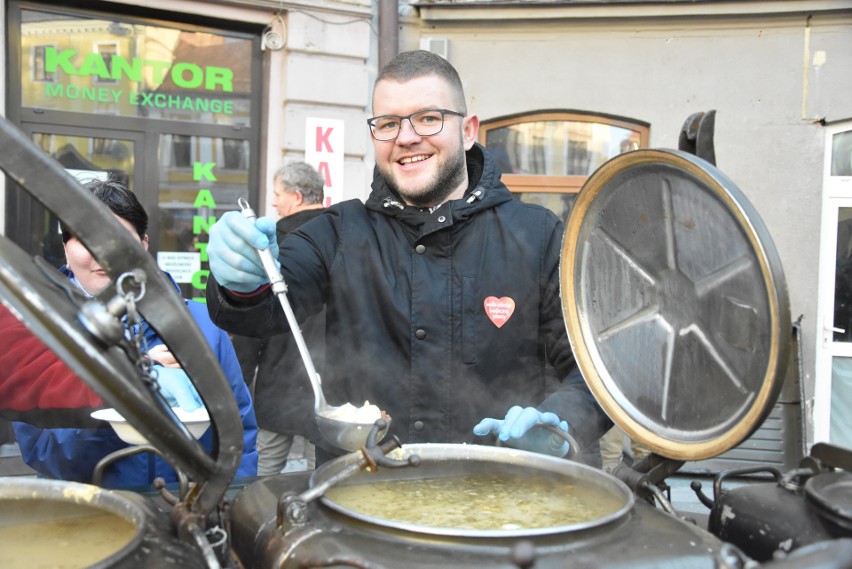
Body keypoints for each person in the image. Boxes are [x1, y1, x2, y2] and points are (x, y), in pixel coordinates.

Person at [205, 50, 611, 465]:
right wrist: (243, 280)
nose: (406, 137)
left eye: (429, 118)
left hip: (503, 500)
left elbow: (595, 371)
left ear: (468, 130)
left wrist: (560, 421)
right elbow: (266, 309)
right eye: (388, 123)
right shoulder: (337, 231)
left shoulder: (539, 236)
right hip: (362, 497)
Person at [10, 178, 258, 489]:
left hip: (189, 510)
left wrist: (231, 502)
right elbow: (45, 454)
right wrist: (123, 387)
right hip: (94, 514)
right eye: (85, 238)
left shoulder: (201, 326)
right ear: (65, 248)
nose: (101, 253)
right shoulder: (40, 331)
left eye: (116, 238)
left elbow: (240, 436)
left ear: (143, 245)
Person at [232, 161, 326, 475]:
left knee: (264, 472)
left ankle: (260, 522)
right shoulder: (343, 239)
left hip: (278, 382)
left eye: (277, 194)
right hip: (329, 380)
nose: (273, 202)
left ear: (296, 197)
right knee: (324, 473)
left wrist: (240, 381)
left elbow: (251, 321)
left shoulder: (271, 248)